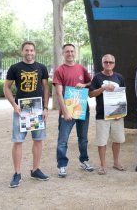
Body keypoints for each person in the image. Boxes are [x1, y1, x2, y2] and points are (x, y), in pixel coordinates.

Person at [4, 41, 50, 188]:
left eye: (31, 50)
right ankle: (17, 173)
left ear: (35, 52)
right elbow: (6, 88)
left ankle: (35, 170)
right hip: (21, 109)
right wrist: (14, 105)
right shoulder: (14, 68)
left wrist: (45, 107)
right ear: (22, 51)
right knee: (18, 141)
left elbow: (46, 88)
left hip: (37, 108)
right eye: (26, 50)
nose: (29, 53)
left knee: (38, 140)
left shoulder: (42, 68)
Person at [53, 44, 94, 178]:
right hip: (67, 112)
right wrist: (65, 112)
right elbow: (59, 93)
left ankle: (84, 161)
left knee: (83, 139)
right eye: (67, 52)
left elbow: (90, 83)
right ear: (63, 54)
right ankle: (62, 166)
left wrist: (84, 84)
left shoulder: (81, 68)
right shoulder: (59, 70)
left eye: (72, 51)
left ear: (75, 53)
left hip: (83, 110)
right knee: (63, 140)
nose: (70, 53)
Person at [89, 54, 126, 175]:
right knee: (102, 141)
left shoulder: (119, 77)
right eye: (106, 62)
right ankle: (103, 165)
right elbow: (91, 94)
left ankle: (116, 162)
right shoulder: (97, 77)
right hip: (102, 115)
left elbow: (123, 95)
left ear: (114, 64)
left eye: (110, 62)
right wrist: (103, 88)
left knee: (117, 140)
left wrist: (121, 112)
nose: (108, 64)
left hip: (116, 115)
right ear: (102, 63)